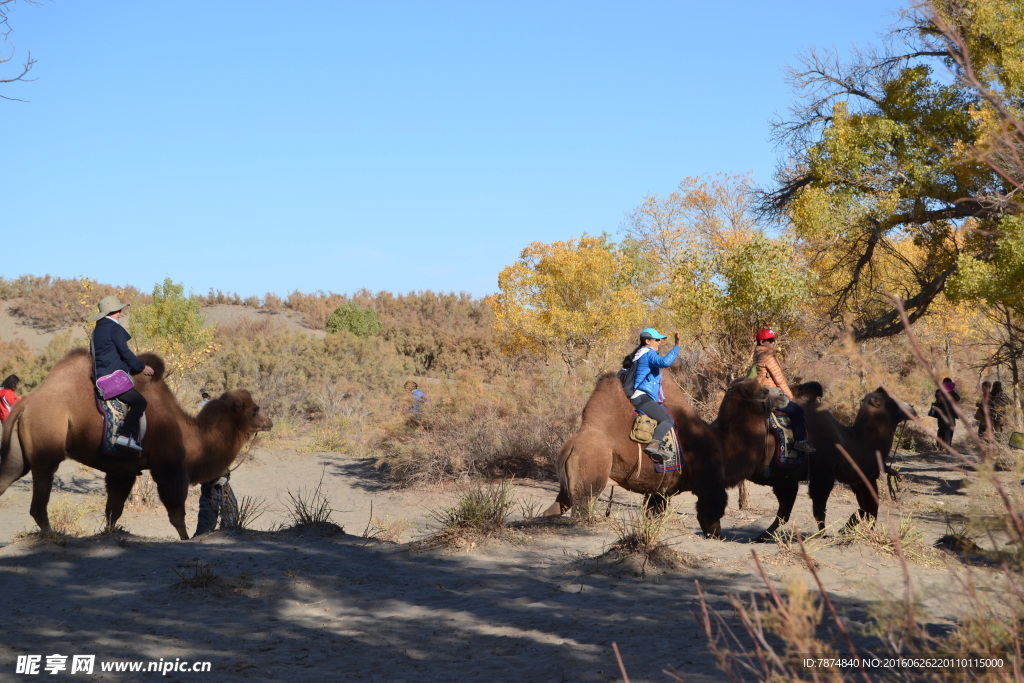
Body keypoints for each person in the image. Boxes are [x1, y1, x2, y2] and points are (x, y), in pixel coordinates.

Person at [90, 295, 155, 453]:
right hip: (113, 379)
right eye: (118, 310)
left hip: (100, 377)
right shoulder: (114, 328)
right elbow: (125, 352)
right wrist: (140, 367)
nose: (120, 313)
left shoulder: (97, 331)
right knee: (140, 403)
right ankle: (124, 437)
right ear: (112, 312)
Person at [621, 328, 681, 462]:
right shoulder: (648, 354)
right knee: (668, 420)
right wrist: (677, 346)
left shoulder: (640, 353)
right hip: (642, 397)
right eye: (657, 340)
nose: (660, 342)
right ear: (647, 341)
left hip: (640, 396)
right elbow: (665, 362)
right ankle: (655, 445)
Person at [752, 328, 815, 452]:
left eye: (773, 339)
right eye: (770, 340)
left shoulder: (757, 354)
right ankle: (800, 441)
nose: (773, 342)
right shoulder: (767, 356)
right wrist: (790, 397)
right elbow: (779, 379)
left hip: (761, 392)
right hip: (771, 394)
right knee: (797, 410)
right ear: (762, 342)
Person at [195, 469, 238, 536]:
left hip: (214, 476)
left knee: (227, 508)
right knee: (211, 511)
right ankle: (226, 535)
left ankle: (202, 536)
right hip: (213, 477)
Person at [933, 377, 961, 447]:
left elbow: (936, 396)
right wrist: (951, 391)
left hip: (941, 414)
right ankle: (947, 446)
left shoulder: (939, 391)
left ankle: (939, 445)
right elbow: (958, 398)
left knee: (941, 429)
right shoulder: (952, 393)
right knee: (949, 430)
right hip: (950, 414)